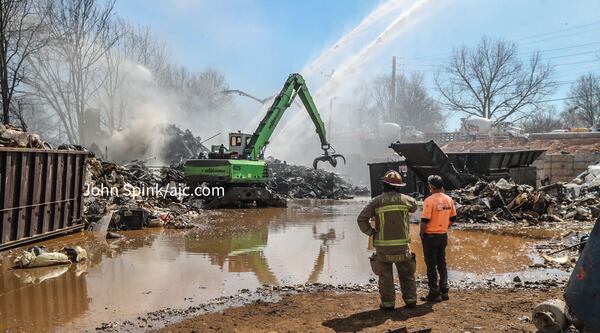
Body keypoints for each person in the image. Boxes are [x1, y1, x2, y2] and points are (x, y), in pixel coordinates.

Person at [357, 170, 418, 310]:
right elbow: (414, 207)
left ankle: (388, 304)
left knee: (385, 277)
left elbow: (361, 219)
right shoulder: (407, 200)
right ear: (399, 186)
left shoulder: (376, 202)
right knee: (407, 274)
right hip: (403, 246)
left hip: (383, 248)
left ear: (384, 185)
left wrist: (371, 232)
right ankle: (410, 300)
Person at [420, 175, 456, 302]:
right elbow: (453, 218)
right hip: (442, 235)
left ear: (431, 187)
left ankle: (434, 293)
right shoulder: (449, 200)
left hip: (430, 236)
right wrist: (445, 227)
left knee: (431, 265)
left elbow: (425, 220)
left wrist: (421, 233)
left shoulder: (429, 201)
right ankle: (444, 290)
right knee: (442, 263)